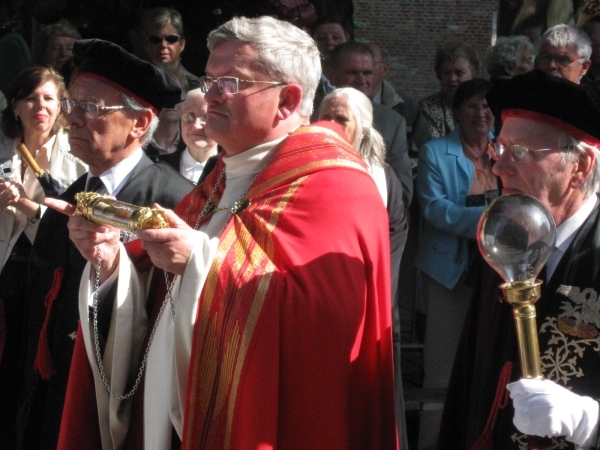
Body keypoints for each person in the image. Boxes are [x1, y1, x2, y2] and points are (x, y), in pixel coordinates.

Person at [54, 16, 399, 450]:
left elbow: (325, 332)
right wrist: (113, 262)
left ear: (288, 100)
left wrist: (200, 264)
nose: (210, 94)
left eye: (230, 83)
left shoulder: (336, 184)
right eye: (209, 79)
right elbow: (163, 279)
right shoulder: (222, 177)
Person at [17, 39, 194, 450]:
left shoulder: (176, 203)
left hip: (128, 401)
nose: (72, 120)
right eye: (71, 105)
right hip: (57, 395)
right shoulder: (73, 198)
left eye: (91, 108)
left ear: (139, 122)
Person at [439, 69, 600, 450]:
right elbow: (471, 371)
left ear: (580, 167)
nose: (499, 167)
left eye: (522, 153)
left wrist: (586, 421)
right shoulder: (506, 241)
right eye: (500, 148)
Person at [0, 65, 87, 448]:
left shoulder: (76, 157)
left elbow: (72, 224)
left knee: (29, 364)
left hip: (49, 276)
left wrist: (26, 209)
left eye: (49, 98)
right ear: (15, 105)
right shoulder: (2, 148)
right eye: (31, 97)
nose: (41, 105)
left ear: (61, 106)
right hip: (5, 269)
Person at [318, 86, 409, 450]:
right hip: (322, 313)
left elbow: (394, 243)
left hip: (375, 309)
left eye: (341, 119)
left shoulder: (384, 179)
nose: (331, 125)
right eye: (325, 117)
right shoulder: (303, 173)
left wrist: (377, 303)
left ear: (364, 129)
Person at [415, 78, 497, 450]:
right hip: (449, 271)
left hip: (497, 274)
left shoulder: (507, 150)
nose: (481, 113)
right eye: (471, 107)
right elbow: (435, 210)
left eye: (486, 106)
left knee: (491, 362)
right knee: (442, 363)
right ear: (457, 113)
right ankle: (433, 442)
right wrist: (492, 222)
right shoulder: (435, 152)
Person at [326, 41, 413, 207]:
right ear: (331, 75)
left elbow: (404, 193)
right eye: (352, 73)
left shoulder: (392, 123)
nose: (361, 80)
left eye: (367, 73)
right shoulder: (311, 116)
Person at [367, 42, 431, 155]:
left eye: (370, 63)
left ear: (385, 69)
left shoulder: (407, 107)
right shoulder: (336, 107)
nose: (364, 69)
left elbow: (423, 153)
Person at [418, 42, 479, 139]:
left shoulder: (485, 106)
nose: (452, 79)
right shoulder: (427, 108)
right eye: (446, 73)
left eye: (459, 73)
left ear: (473, 74)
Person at [143, 7, 200, 93]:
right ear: (147, 44)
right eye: (155, 39)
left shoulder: (196, 87)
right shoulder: (135, 83)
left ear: (182, 44)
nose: (163, 45)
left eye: (171, 39)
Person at [32, 19, 81, 83]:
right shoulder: (36, 84)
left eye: (69, 49)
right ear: (44, 53)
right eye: (56, 48)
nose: (64, 54)